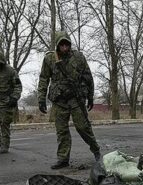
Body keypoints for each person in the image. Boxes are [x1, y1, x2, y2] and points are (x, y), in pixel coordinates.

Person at [37, 31, 100, 169]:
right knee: (62, 130)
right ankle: (63, 158)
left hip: (75, 99)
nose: (64, 47)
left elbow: (88, 77)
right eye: (62, 45)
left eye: (67, 44)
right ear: (57, 45)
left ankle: (96, 150)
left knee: (83, 127)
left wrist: (90, 97)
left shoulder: (78, 57)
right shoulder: (49, 59)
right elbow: (43, 78)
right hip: (59, 100)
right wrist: (41, 98)